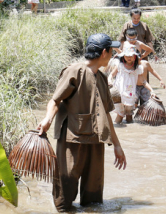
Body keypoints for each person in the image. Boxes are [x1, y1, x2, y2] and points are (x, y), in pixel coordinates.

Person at [37, 33, 126, 211]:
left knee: (93, 198)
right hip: (72, 139)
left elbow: (107, 115)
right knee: (65, 191)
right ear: (103, 53)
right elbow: (56, 100)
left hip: (96, 141)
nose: (112, 56)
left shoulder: (101, 78)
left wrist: (117, 145)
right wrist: (47, 119)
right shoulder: (74, 71)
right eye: (111, 52)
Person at [109, 46, 143, 124]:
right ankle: (118, 130)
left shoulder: (137, 68)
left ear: (135, 57)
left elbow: (143, 82)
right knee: (120, 115)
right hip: (119, 95)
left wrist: (151, 91)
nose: (129, 57)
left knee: (129, 116)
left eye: (131, 56)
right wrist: (109, 80)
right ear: (123, 56)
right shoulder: (119, 66)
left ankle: (129, 134)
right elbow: (111, 75)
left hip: (130, 95)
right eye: (127, 55)